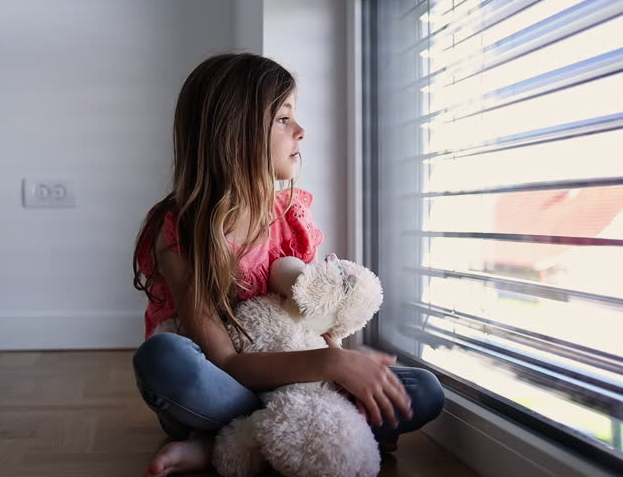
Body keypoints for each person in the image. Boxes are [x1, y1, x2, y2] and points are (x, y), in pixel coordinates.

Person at [131, 52, 444, 477]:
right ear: (234, 134)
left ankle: (242, 441)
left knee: (423, 390)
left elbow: (310, 327)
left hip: (297, 381)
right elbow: (225, 363)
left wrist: (342, 367)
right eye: (282, 118)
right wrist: (333, 367)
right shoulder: (180, 233)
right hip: (225, 386)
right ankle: (254, 436)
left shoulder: (293, 218)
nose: (301, 131)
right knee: (164, 359)